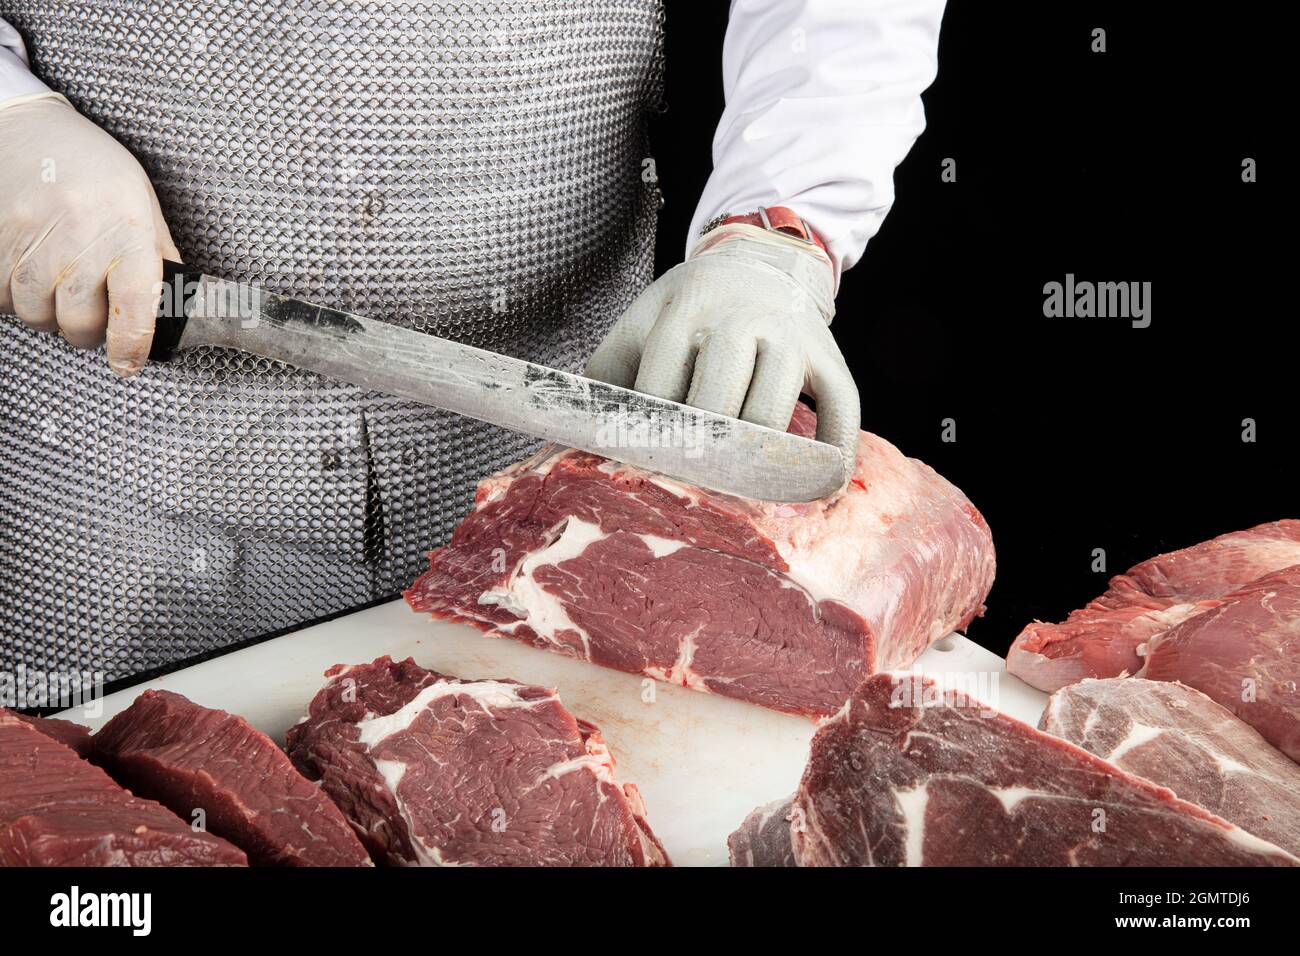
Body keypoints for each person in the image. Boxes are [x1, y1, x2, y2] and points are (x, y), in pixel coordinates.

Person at [0, 2, 944, 682]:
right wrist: (12, 119)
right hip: (112, 486)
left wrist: (778, 230)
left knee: (521, 791)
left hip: (549, 518)